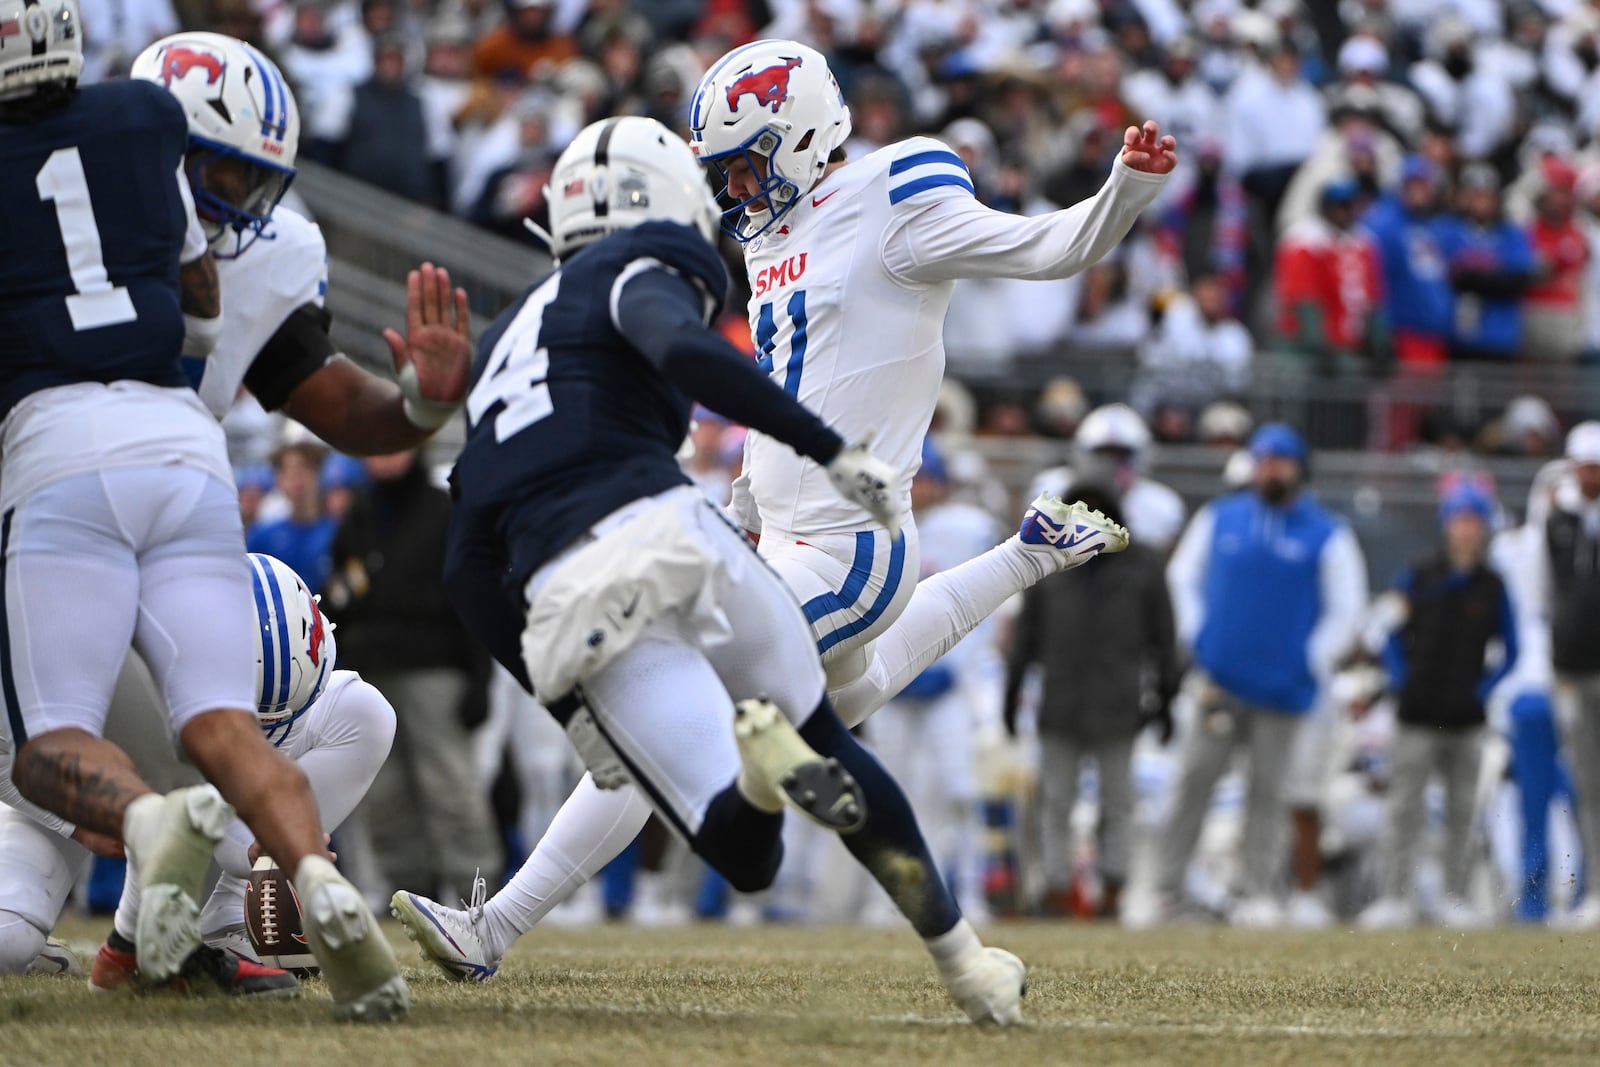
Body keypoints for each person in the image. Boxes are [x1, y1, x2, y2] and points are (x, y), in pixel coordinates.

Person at [392, 37, 1160, 975]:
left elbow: (1049, 246)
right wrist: (750, 503)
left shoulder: (893, 197)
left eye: (749, 164)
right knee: (845, 694)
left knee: (659, 689)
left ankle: (495, 928)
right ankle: (1028, 553)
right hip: (787, 528)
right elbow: (785, 382)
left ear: (801, 135)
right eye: (724, 173)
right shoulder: (773, 238)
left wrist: (1123, 187)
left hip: (850, 542)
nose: (735, 190)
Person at [0, 9, 404, 1019]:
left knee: (334, 707)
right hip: (146, 497)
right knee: (253, 701)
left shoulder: (84, 175)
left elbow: (321, 389)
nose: (234, 204)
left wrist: (425, 408)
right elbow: (200, 306)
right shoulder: (125, 163)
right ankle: (230, 902)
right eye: (212, 175)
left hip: (71, 496)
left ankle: (184, 915)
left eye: (247, 182)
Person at [1158, 424, 1367, 925]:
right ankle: (1166, 890)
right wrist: (1199, 638)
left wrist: (1309, 658)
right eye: (1263, 460)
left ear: (1300, 467)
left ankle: (1257, 892)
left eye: (1281, 460)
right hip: (1219, 682)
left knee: (1270, 794)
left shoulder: (1327, 533)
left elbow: (1347, 608)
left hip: (1283, 689)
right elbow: (1183, 579)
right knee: (1194, 781)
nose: (1270, 469)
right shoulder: (1221, 518)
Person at [325, 449, 498, 902]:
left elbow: (471, 595)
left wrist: (480, 679)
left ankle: (475, 888)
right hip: (371, 670)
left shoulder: (442, 510)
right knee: (383, 793)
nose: (383, 456)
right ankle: (408, 892)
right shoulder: (360, 512)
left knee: (449, 783)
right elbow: (338, 588)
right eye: (375, 446)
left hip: (434, 667)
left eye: (394, 444)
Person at [1004, 482, 1180, 919]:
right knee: (1055, 801)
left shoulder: (1142, 564)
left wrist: (1166, 697)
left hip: (1118, 703)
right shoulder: (1050, 561)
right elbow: (1026, 634)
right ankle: (1057, 889)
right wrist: (1011, 691)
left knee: (1117, 801)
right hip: (1061, 700)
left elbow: (1164, 636)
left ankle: (1115, 887)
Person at [1359, 482, 1517, 928]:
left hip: (1465, 717)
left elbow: (1513, 648)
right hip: (1417, 712)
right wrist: (1401, 678)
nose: (1466, 531)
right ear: (1446, 525)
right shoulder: (1419, 574)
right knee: (1403, 806)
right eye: (1458, 521)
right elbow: (1389, 631)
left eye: (1473, 522)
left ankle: (1455, 896)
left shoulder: (1491, 585)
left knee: (1463, 809)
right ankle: (1394, 896)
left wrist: (1484, 690)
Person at [1528, 422, 1600, 926]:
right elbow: (1542, 596)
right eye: (1585, 466)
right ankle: (1595, 888)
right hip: (1574, 667)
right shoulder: (1558, 521)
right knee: (1589, 784)